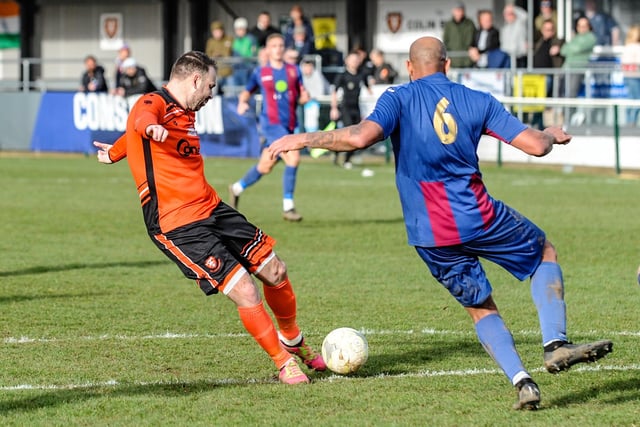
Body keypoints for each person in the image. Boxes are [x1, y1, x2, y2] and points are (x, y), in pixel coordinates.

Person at [267, 36, 613, 409]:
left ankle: (522, 380)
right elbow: (536, 146)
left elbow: (358, 137)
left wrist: (300, 138)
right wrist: (550, 135)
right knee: (543, 252)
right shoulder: (477, 99)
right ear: (447, 65)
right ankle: (555, 344)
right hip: (479, 216)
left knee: (482, 308)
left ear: (411, 69)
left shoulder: (398, 97)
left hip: (430, 234)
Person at [92, 50, 325, 385]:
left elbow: (132, 135)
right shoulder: (152, 102)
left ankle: (293, 339)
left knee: (275, 269)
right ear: (195, 79)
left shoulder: (185, 111)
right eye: (211, 86)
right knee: (245, 290)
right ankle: (283, 362)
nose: (212, 95)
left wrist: (113, 153)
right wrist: (151, 129)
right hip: (176, 222)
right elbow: (142, 121)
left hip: (211, 207)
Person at [229, 33, 310, 222]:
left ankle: (236, 188)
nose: (278, 48)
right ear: (267, 49)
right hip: (270, 125)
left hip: (288, 125)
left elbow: (301, 95)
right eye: (274, 46)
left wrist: (304, 99)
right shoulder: (260, 72)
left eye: (281, 45)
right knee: (294, 157)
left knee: (265, 166)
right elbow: (246, 92)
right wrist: (242, 103)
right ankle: (288, 207)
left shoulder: (293, 71)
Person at [330, 51, 373, 169]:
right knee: (350, 133)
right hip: (345, 108)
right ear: (347, 61)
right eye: (352, 59)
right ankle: (337, 152)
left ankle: (346, 158)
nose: (355, 62)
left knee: (358, 134)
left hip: (356, 108)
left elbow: (369, 88)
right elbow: (334, 92)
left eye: (357, 60)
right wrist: (334, 108)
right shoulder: (343, 75)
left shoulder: (362, 74)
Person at [531, 19, 564, 129]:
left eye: (550, 29)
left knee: (541, 97)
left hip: (548, 76)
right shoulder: (539, 42)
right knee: (535, 99)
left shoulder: (556, 41)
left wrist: (559, 48)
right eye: (546, 29)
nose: (548, 32)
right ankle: (538, 122)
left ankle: (536, 120)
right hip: (535, 76)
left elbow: (562, 45)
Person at [560, 16, 596, 99]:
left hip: (578, 68)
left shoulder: (590, 37)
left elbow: (578, 48)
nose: (582, 28)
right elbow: (563, 50)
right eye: (579, 26)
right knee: (562, 92)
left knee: (571, 93)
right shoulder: (576, 37)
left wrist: (571, 47)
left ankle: (569, 112)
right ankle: (563, 111)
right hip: (567, 68)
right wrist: (573, 48)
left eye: (584, 26)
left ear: (589, 27)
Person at [442, 2, 476, 69]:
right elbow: (445, 41)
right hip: (453, 61)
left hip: (468, 61)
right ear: (453, 11)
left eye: (460, 10)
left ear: (464, 11)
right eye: (457, 10)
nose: (459, 13)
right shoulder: (448, 25)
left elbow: (474, 40)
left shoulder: (469, 23)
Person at [300, 58, 330, 132]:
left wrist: (308, 97)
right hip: (301, 102)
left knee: (312, 112)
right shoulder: (299, 75)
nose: (307, 69)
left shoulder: (317, 75)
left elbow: (320, 92)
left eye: (309, 67)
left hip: (316, 102)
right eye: (305, 67)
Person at [205, 20, 233, 93]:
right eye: (215, 31)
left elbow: (231, 53)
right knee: (213, 94)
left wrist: (221, 54)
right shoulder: (210, 42)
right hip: (215, 73)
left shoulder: (229, 39)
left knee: (230, 94)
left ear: (222, 31)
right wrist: (214, 55)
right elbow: (207, 55)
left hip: (228, 72)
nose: (217, 33)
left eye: (219, 31)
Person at [621, 24, 640, 126]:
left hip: (627, 76)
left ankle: (629, 120)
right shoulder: (636, 47)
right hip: (636, 76)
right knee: (637, 100)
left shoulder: (627, 46)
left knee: (630, 99)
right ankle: (632, 121)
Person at [231, 17, 257, 88]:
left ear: (245, 29)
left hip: (247, 70)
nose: (239, 31)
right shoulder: (235, 41)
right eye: (237, 29)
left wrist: (250, 66)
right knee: (236, 91)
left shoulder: (251, 39)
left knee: (247, 89)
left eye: (241, 29)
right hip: (237, 69)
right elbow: (234, 54)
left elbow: (254, 54)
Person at [500, 4, 529, 68]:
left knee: (520, 76)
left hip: (520, 56)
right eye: (506, 14)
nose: (509, 16)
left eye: (511, 14)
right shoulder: (504, 28)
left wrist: (513, 8)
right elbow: (503, 43)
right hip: (509, 57)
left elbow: (525, 16)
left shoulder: (520, 23)